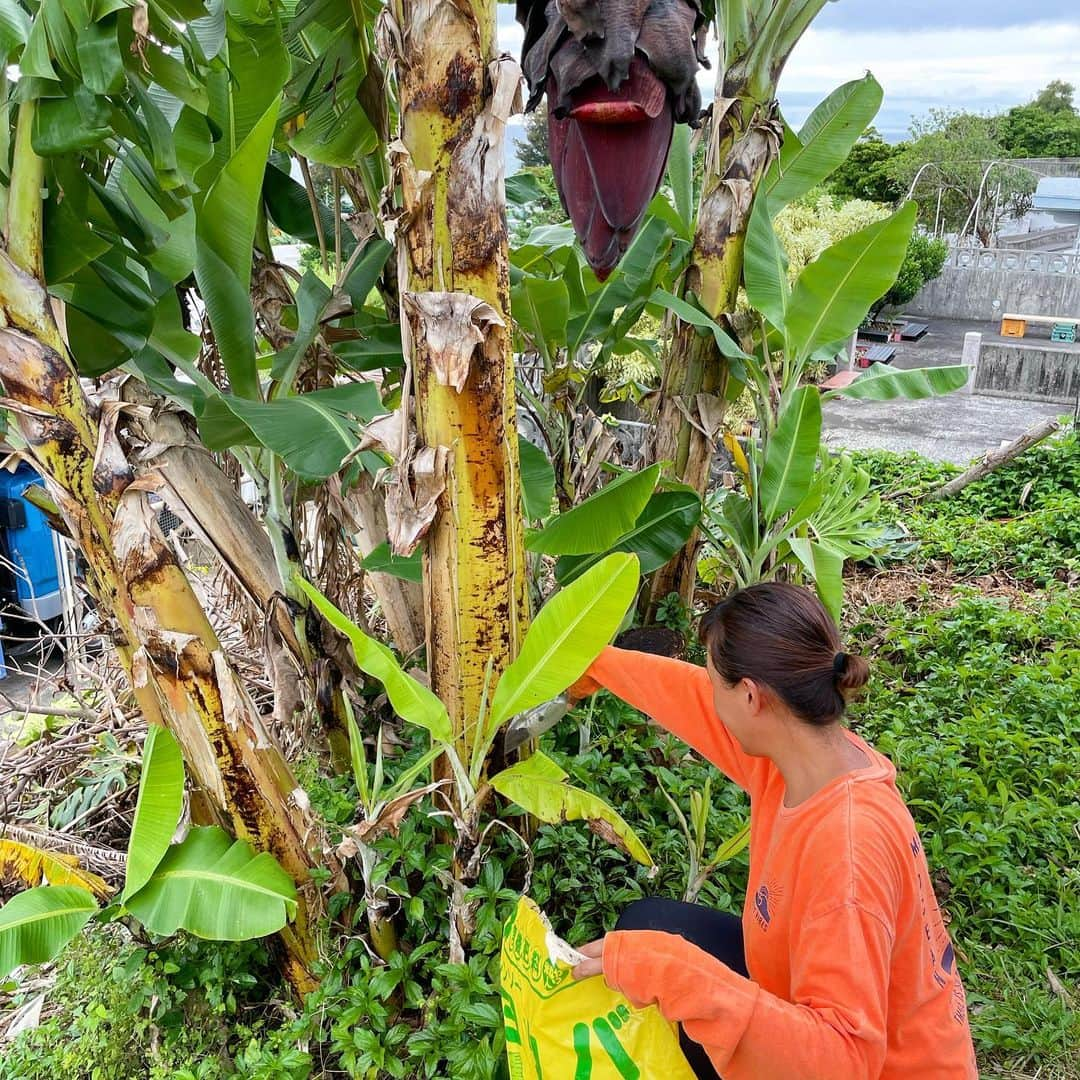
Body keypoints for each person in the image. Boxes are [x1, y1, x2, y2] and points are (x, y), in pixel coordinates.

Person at [568, 582, 978, 1079]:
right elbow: (693, 699)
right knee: (649, 927)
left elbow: (843, 1063)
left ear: (750, 696)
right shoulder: (807, 754)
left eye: (717, 681)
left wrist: (673, 974)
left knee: (661, 965)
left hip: (862, 1065)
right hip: (806, 999)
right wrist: (599, 664)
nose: (709, 693)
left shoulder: (846, 855)